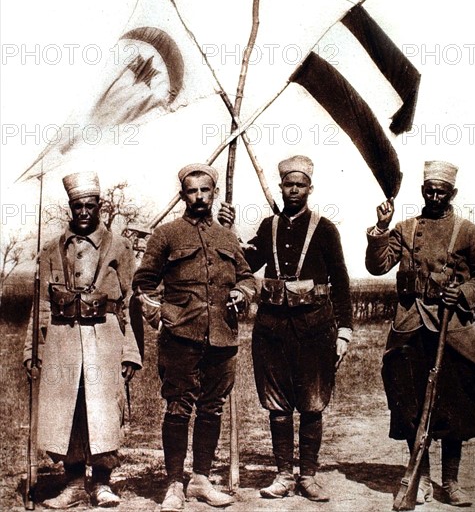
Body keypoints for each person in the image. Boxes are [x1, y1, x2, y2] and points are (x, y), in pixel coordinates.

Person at [219, 155, 353, 502]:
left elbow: (340, 281)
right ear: (281, 187)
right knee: (277, 405)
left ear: (310, 188)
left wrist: (344, 331)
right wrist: (227, 232)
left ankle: (307, 476)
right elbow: (245, 265)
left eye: (300, 185)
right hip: (273, 328)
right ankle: (282, 475)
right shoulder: (269, 226)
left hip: (315, 329)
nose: (294, 190)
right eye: (288, 185)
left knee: (312, 403)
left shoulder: (325, 229)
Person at [365, 160, 475, 507]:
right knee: (410, 404)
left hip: (452, 332)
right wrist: (380, 229)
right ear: (423, 191)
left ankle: (450, 482)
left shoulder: (469, 233)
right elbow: (377, 267)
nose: (435, 196)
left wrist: (464, 292)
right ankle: (420, 477)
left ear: (452, 193)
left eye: (441, 191)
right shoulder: (406, 230)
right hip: (410, 328)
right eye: (429, 190)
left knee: (456, 405)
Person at [132, 164, 255, 512]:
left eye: (205, 190)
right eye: (192, 191)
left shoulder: (228, 237)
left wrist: (242, 293)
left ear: (214, 193)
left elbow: (247, 276)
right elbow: (143, 284)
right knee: (178, 407)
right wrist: (161, 316)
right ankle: (173, 483)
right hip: (180, 337)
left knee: (211, 407)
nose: (199, 197)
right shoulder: (166, 235)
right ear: (183, 194)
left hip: (222, 337)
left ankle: (200, 480)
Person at [23, 171, 142, 508]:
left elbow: (129, 301)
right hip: (62, 340)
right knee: (68, 410)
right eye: (78, 206)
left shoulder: (119, 246)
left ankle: (103, 482)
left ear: (99, 206)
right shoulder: (51, 249)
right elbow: (42, 303)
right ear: (70, 208)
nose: (85, 212)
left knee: (103, 408)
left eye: (91, 205)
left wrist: (130, 352)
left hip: (105, 339)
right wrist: (33, 348)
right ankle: (73, 482)